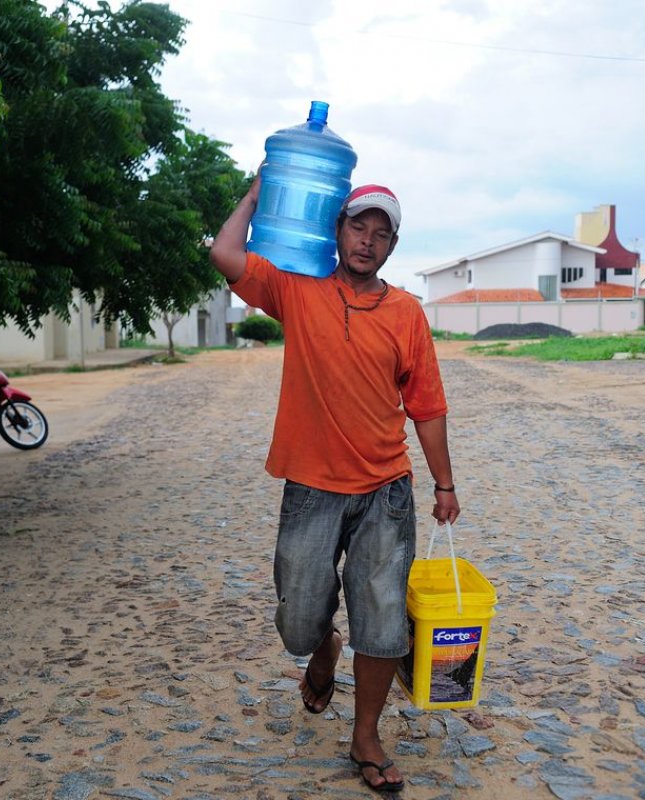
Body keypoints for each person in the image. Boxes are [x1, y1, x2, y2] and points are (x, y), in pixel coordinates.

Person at [210, 176, 460, 793]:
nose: (368, 241)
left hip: (385, 490)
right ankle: (323, 652)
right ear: (337, 228)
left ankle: (366, 736)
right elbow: (224, 255)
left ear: (393, 246)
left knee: (382, 623)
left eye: (382, 233)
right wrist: (257, 193)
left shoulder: (405, 313)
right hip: (312, 489)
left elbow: (426, 405)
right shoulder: (299, 289)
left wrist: (445, 485)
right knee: (297, 621)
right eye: (358, 226)